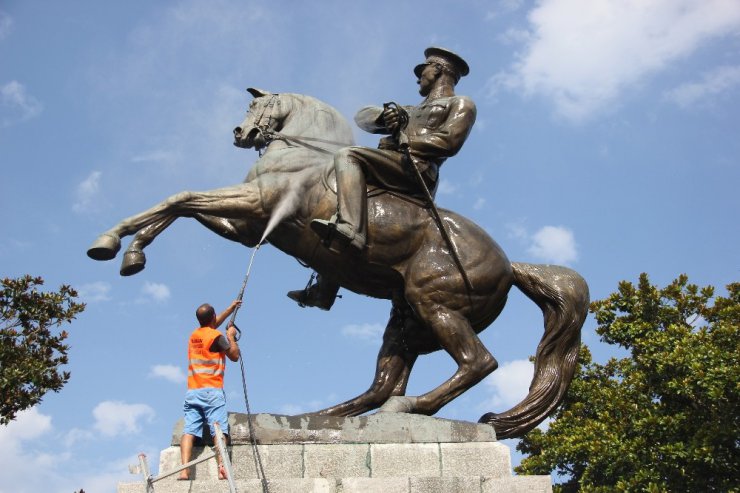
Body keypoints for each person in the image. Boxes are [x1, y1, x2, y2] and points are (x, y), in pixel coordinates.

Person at [290, 47, 476, 309]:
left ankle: (351, 231)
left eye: (422, 70)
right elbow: (362, 117)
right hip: (394, 165)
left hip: (416, 170)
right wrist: (386, 116)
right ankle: (325, 289)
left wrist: (406, 141)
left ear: (437, 70)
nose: (418, 77)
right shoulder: (409, 109)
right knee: (341, 197)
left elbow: (450, 142)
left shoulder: (460, 104)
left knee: (349, 156)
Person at [179, 300, 241, 481]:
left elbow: (211, 326)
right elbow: (235, 356)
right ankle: (222, 467)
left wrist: (230, 308)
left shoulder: (194, 335)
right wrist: (230, 335)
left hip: (193, 391)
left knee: (189, 430)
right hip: (212, 391)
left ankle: (184, 470)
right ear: (213, 317)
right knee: (219, 430)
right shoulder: (217, 337)